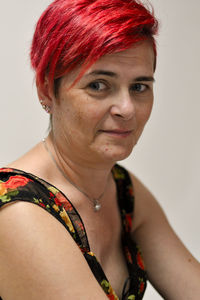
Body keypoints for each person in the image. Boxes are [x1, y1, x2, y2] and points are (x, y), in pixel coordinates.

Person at [0, 0, 199, 299]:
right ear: (46, 90)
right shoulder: (17, 209)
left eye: (139, 87)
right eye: (98, 85)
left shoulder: (120, 188)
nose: (127, 109)